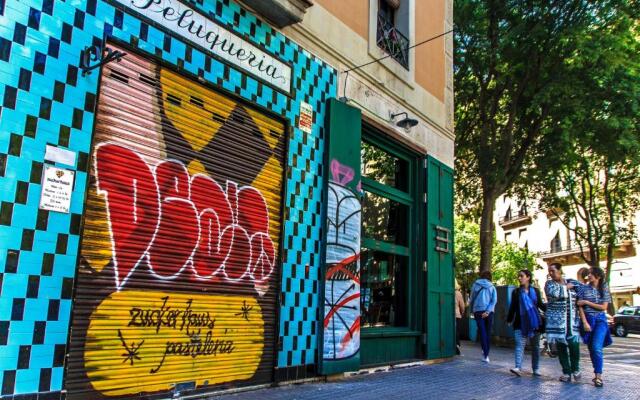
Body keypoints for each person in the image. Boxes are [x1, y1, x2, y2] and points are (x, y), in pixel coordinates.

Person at [545, 263, 582, 383]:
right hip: (557, 323)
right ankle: (566, 372)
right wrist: (566, 287)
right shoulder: (549, 284)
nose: (550, 273)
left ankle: (576, 369)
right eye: (549, 271)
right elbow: (553, 293)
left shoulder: (572, 282)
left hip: (572, 321)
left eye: (553, 271)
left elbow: (581, 292)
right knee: (561, 348)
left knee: (574, 346)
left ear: (560, 271)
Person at [576, 266, 613, 388]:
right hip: (588, 320)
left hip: (600, 320)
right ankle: (596, 372)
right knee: (592, 348)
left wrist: (587, 302)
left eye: (592, 273)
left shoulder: (604, 288)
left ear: (598, 276)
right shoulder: (583, 288)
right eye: (589, 273)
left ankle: (598, 377)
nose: (589, 275)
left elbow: (603, 307)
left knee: (597, 347)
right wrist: (585, 322)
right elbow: (579, 306)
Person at [507, 269, 546, 377]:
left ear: (528, 277)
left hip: (534, 323)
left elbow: (540, 305)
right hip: (520, 322)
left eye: (521, 276)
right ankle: (518, 367)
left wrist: (551, 309)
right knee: (520, 345)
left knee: (536, 347)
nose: (519, 278)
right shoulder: (516, 292)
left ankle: (536, 368)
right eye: (518, 276)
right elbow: (513, 307)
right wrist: (509, 319)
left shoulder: (536, 291)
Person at [469, 271, 497, 362]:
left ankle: (485, 355)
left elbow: (471, 298)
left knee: (482, 332)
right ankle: (486, 354)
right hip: (489, 312)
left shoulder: (475, 284)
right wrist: (488, 311)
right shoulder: (492, 287)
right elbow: (494, 301)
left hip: (478, 311)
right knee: (487, 332)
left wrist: (471, 310)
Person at [455, 284, 466, 355]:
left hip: (446, 314)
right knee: (455, 331)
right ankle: (457, 346)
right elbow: (462, 305)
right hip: (456, 315)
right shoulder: (458, 293)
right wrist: (461, 313)